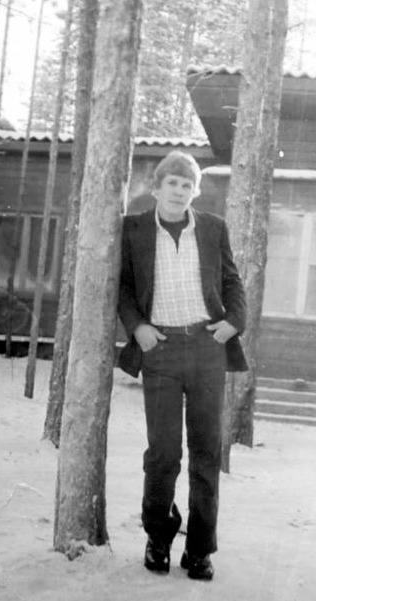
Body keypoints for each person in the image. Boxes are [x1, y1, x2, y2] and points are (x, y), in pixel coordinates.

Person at [118, 150, 248, 580]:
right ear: (156, 189)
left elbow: (231, 280)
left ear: (196, 191)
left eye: (186, 184)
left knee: (207, 451)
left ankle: (200, 549)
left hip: (208, 349)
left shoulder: (212, 228)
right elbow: (123, 286)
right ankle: (158, 536)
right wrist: (137, 326)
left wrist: (234, 322)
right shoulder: (133, 229)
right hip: (161, 351)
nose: (179, 191)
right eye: (171, 183)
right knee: (163, 453)